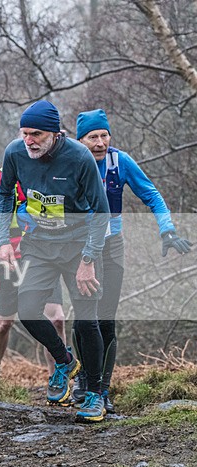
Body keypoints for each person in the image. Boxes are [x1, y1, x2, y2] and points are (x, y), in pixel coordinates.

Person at [0, 100, 110, 422]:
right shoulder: (15, 152)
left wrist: (88, 259)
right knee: (28, 310)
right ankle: (64, 361)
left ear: (55, 133)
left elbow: (101, 213)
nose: (29, 140)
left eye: (36, 134)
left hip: (78, 246)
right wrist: (3, 240)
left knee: (87, 322)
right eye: (25, 133)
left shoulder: (79, 157)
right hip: (39, 246)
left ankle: (96, 394)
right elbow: (5, 195)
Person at [72, 109, 192, 413]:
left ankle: (103, 389)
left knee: (106, 318)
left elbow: (151, 194)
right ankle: (83, 378)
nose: (100, 142)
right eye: (92, 137)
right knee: (84, 316)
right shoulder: (72, 161)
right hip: (79, 247)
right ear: (80, 139)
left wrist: (167, 229)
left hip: (112, 245)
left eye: (104, 135)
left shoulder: (119, 161)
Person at [0, 169, 65, 376]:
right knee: (5, 321)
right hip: (7, 259)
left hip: (43, 258)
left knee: (56, 319)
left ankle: (57, 378)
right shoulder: (0, 179)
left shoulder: (50, 176)